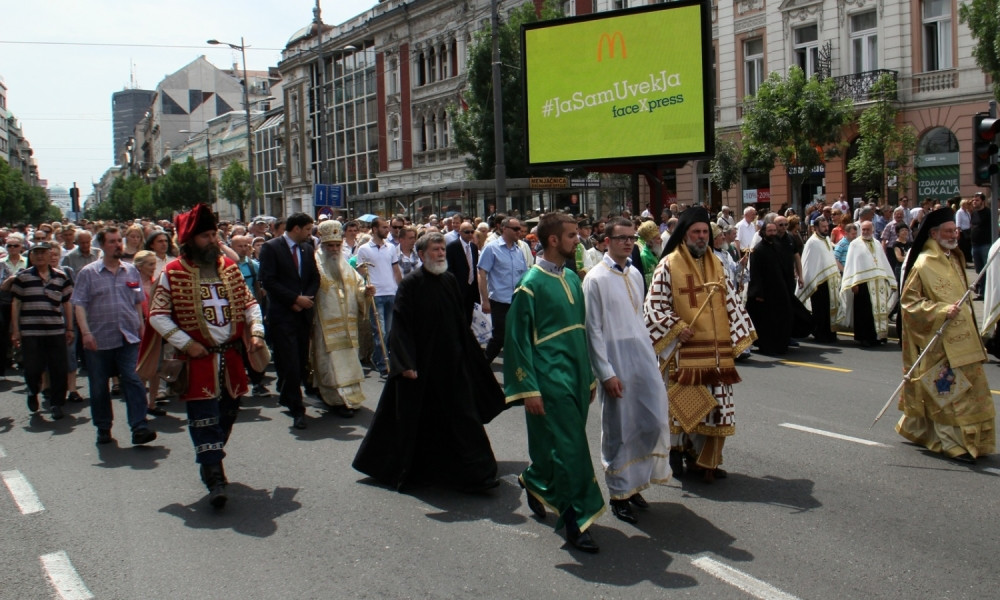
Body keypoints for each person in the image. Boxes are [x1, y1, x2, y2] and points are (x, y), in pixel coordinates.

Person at [353, 233, 504, 492]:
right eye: (435, 250)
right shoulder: (411, 284)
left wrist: (471, 356)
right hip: (421, 366)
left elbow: (459, 322)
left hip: (451, 362)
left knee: (463, 417)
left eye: (443, 249)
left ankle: (480, 475)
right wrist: (405, 363)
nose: (441, 253)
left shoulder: (449, 280)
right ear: (422, 255)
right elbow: (400, 326)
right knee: (415, 420)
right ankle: (412, 469)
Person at [139, 204, 266, 506]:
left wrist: (257, 331)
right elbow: (157, 315)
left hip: (231, 357)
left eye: (214, 234)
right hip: (197, 361)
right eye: (206, 236)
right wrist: (186, 343)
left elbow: (250, 304)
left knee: (229, 414)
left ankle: (211, 456)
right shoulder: (172, 272)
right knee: (203, 419)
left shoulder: (230, 268)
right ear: (189, 240)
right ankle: (214, 478)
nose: (213, 240)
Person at [505, 212, 604, 554]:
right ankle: (577, 519)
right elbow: (516, 342)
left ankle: (535, 480)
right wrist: (528, 389)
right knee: (571, 447)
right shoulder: (530, 286)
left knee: (560, 445)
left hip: (576, 377)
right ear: (552, 241)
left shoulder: (574, 279)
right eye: (573, 235)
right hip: (550, 380)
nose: (579, 240)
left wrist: (590, 376)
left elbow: (583, 333)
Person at [644, 207, 756, 483]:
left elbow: (730, 301)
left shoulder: (717, 264)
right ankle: (675, 452)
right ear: (684, 235)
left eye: (705, 232)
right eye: (696, 232)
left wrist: (740, 332)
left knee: (715, 408)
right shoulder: (668, 264)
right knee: (683, 407)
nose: (701, 237)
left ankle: (705, 460)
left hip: (716, 354)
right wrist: (676, 328)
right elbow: (653, 308)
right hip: (683, 353)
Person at [583, 218, 670, 525]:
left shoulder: (634, 273)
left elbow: (640, 317)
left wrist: (652, 357)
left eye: (632, 238)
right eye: (621, 238)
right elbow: (592, 329)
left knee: (652, 419)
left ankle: (635, 483)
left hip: (641, 354)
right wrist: (605, 373)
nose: (628, 243)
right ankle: (619, 492)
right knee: (620, 426)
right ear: (607, 241)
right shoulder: (595, 278)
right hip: (614, 356)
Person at [897, 209, 994, 464]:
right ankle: (953, 444)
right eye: (949, 231)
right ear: (934, 234)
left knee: (973, 393)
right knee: (950, 395)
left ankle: (973, 441)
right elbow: (909, 304)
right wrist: (940, 310)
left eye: (955, 230)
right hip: (940, 342)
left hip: (966, 340)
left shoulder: (955, 257)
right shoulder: (923, 263)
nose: (955, 235)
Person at [72, 227, 156, 446]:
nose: (118, 244)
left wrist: (141, 327)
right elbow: (78, 304)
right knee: (99, 386)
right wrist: (86, 333)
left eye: (119, 240)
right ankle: (103, 427)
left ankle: (139, 426)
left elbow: (137, 302)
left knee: (133, 379)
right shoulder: (88, 273)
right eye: (112, 241)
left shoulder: (131, 271)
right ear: (102, 245)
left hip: (128, 337)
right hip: (99, 340)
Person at [258, 212, 320, 430]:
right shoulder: (271, 248)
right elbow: (269, 280)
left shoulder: (307, 248)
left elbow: (314, 277)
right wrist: (294, 299)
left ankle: (286, 395)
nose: (310, 233)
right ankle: (297, 409)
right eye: (307, 229)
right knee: (290, 362)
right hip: (282, 315)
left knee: (300, 360)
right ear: (296, 229)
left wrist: (306, 300)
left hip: (303, 314)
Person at [312, 220, 374, 418]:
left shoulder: (345, 266)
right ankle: (335, 400)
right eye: (330, 245)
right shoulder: (315, 265)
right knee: (330, 362)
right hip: (325, 325)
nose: (334, 249)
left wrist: (366, 291)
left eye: (337, 245)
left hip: (348, 324)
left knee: (348, 360)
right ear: (323, 245)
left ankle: (351, 398)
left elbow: (357, 285)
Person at [10, 242, 74, 420]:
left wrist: (69, 327)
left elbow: (67, 302)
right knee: (32, 367)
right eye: (36, 253)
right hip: (31, 331)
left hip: (55, 330)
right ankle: (33, 390)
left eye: (43, 253)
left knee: (58, 369)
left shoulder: (61, 277)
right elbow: (16, 304)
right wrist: (16, 330)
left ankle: (57, 404)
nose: (40, 256)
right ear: (31, 256)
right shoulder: (23, 277)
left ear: (50, 255)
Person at [478, 217, 529, 363]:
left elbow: (524, 275)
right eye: (516, 229)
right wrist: (485, 300)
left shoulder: (519, 250)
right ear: (504, 229)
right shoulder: (491, 248)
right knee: (499, 337)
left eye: (520, 228)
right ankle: (481, 366)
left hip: (516, 300)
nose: (519, 232)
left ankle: (515, 369)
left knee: (517, 336)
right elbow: (482, 274)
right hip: (500, 300)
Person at [356, 217, 402, 377]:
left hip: (391, 292)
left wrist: (400, 288)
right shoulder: (363, 249)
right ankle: (384, 365)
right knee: (380, 331)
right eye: (384, 227)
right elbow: (360, 271)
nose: (387, 230)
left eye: (387, 227)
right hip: (376, 295)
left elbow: (396, 269)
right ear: (374, 229)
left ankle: (378, 357)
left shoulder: (391, 248)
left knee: (388, 332)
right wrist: (366, 285)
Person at [840, 221, 898, 347]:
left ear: (872, 230)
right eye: (864, 229)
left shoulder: (877, 243)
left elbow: (883, 261)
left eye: (868, 229)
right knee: (864, 312)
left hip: (878, 283)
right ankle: (864, 337)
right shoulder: (855, 244)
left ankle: (878, 336)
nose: (865, 232)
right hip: (862, 283)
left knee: (878, 311)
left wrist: (889, 279)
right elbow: (851, 264)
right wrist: (853, 283)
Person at [746, 222, 794, 354]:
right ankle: (768, 347)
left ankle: (781, 345)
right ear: (763, 233)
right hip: (766, 293)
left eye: (774, 231)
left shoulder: (778, 246)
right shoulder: (758, 250)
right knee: (767, 322)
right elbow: (755, 273)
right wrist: (758, 293)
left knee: (783, 318)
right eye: (770, 231)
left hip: (780, 290)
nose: (773, 233)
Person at [230, 235, 268, 396]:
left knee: (253, 348)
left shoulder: (253, 266)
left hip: (251, 311)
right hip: (232, 315)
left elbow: (261, 285)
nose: (244, 249)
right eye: (240, 246)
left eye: (246, 245)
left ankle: (257, 382)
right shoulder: (226, 266)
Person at [797, 216, 844, 343]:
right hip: (819, 282)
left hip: (830, 281)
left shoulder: (827, 239)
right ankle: (820, 333)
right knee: (820, 310)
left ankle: (831, 333)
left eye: (826, 227)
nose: (825, 229)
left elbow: (830, 259)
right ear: (815, 228)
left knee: (830, 309)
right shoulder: (812, 242)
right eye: (823, 227)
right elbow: (809, 263)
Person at [445, 221, 480, 324]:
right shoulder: (452, 247)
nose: (470, 234)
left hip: (471, 289)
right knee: (458, 317)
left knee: (469, 317)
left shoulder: (473, 247)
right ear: (459, 232)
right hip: (458, 289)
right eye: (466, 232)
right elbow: (449, 269)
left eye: (471, 232)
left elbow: (474, 267)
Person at [968, 192, 991, 296]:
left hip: (985, 244)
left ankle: (984, 292)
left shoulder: (988, 212)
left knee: (985, 269)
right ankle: (981, 288)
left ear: (982, 201)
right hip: (975, 245)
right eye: (973, 200)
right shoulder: (973, 213)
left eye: (977, 200)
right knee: (978, 269)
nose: (974, 202)